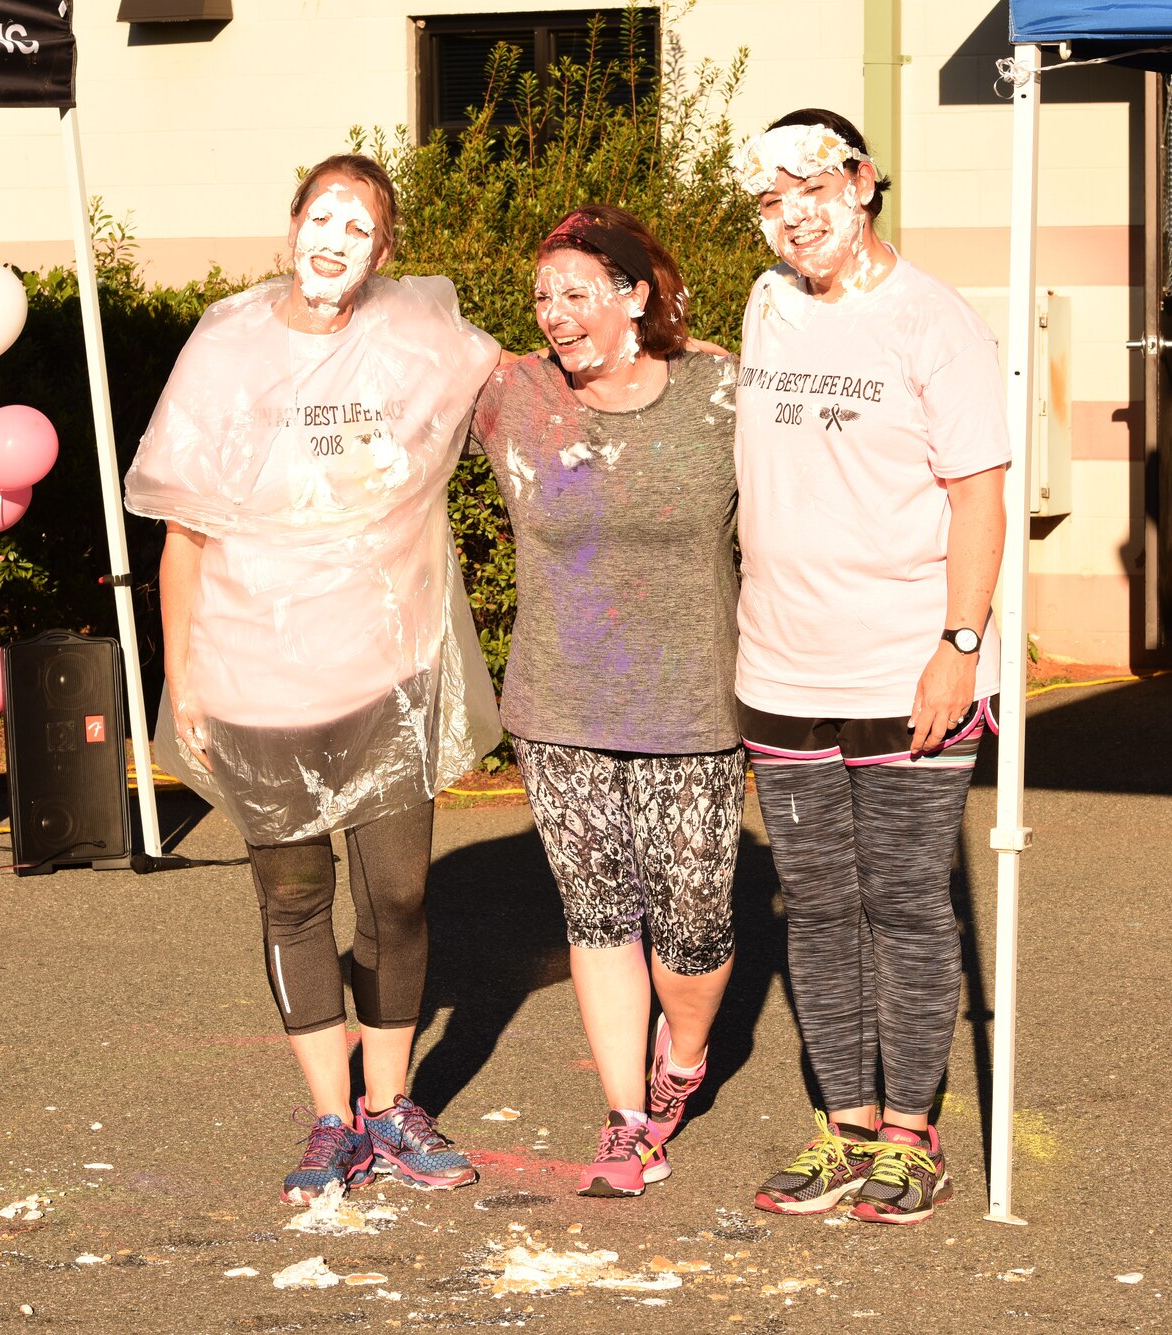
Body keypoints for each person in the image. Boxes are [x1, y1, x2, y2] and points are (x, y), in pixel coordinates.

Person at [123, 155, 503, 1203]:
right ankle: (330, 1118)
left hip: (385, 671)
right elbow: (182, 535)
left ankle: (390, 1108)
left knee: (399, 891)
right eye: (321, 216)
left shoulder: (414, 339)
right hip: (252, 678)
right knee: (292, 896)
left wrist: (657, 350)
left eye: (361, 227)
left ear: (384, 252)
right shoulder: (226, 344)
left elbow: (529, 374)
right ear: (291, 224)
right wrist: (181, 678)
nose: (335, 240)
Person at [732, 111, 1009, 1225]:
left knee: (903, 903)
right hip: (780, 668)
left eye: (810, 183)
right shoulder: (765, 307)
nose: (792, 211)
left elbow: (979, 491)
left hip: (905, 669)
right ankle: (844, 1126)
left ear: (862, 182)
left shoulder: (931, 320)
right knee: (815, 907)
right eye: (767, 196)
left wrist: (958, 647)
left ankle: (911, 1134)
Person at [467, 205, 743, 1198]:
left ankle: (684, 1057)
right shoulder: (510, 394)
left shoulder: (718, 392)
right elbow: (399, 370)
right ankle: (627, 1117)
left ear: (635, 294)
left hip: (693, 711)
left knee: (693, 935)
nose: (553, 314)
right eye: (541, 297)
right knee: (595, 919)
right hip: (559, 711)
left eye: (576, 293)